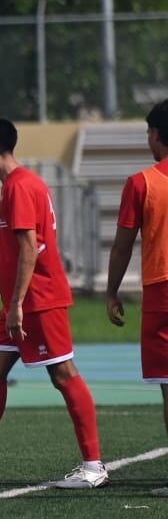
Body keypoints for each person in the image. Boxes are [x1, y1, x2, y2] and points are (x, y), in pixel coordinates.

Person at [0, 117, 108, 489]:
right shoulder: (16, 185)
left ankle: (93, 467)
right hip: (21, 302)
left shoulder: (20, 186)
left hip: (37, 302)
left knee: (64, 374)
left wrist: (18, 305)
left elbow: (30, 247)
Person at [104, 100, 168, 496]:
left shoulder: (142, 183)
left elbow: (123, 245)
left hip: (162, 288)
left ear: (157, 135)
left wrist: (111, 291)